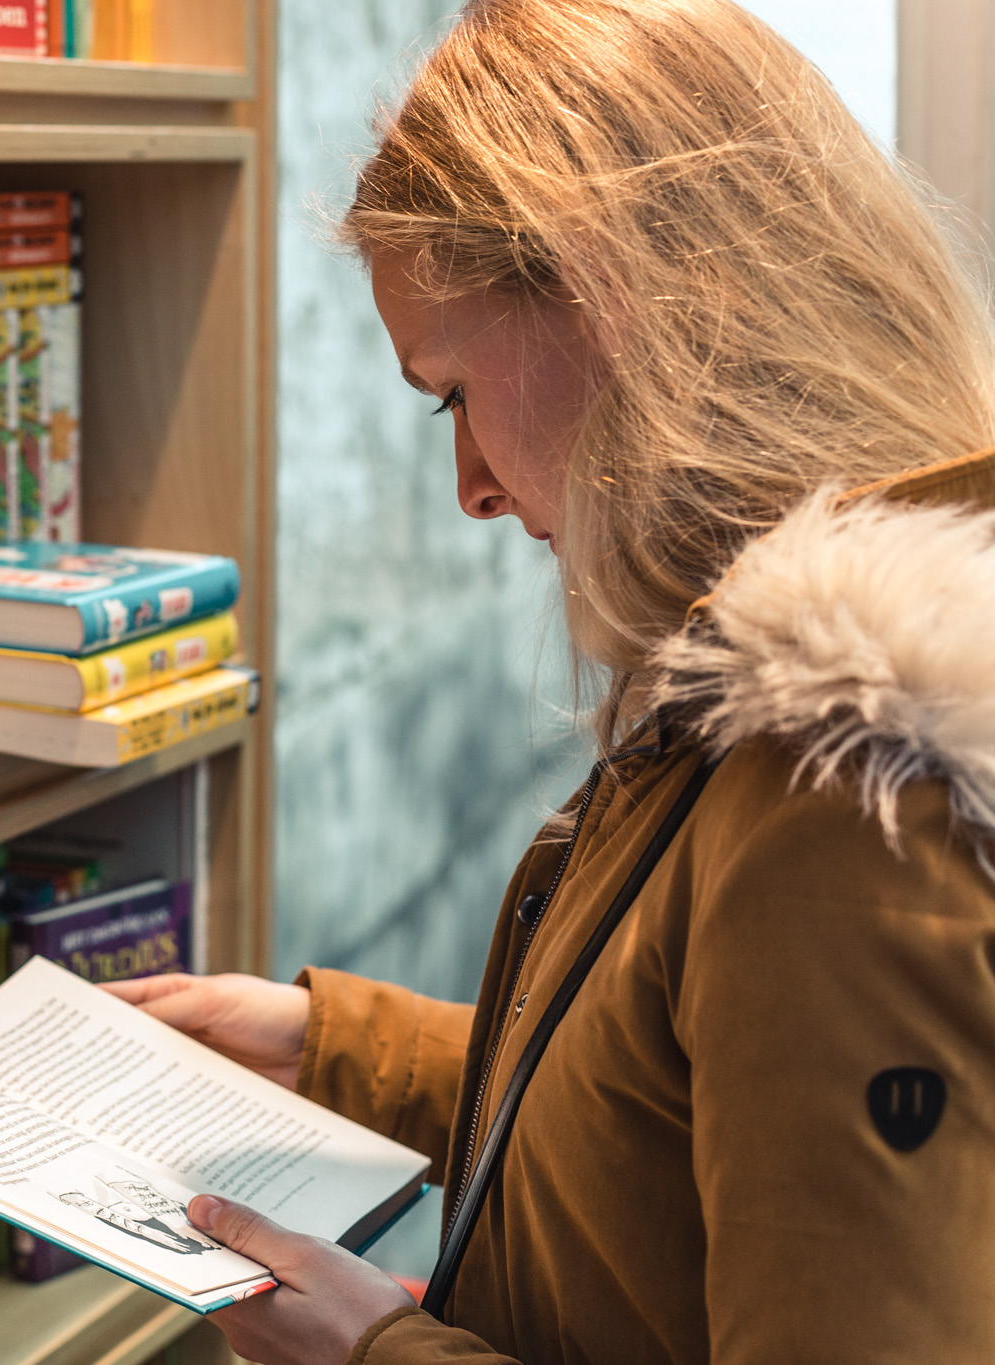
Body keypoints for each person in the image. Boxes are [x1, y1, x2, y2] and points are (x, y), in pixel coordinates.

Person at [106, 1, 995, 1360]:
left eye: (451, 390)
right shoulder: (792, 687)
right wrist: (341, 1049)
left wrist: (372, 1349)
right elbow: (694, 1110)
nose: (469, 485)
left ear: (611, 295)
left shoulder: (843, 791)